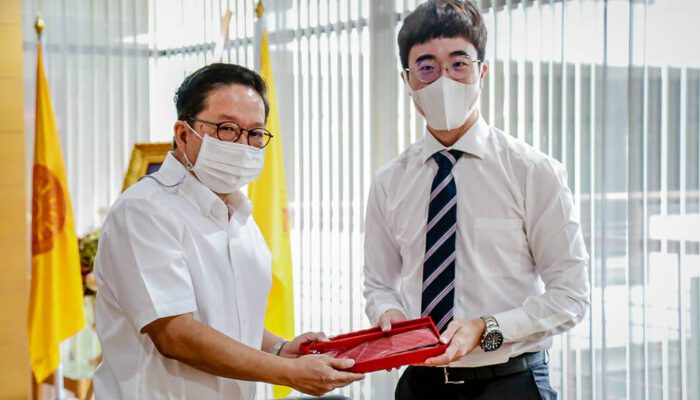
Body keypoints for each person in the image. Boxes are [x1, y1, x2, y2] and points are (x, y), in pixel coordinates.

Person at [94, 63, 364, 399]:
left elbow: (232, 319)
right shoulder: (144, 210)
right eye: (227, 129)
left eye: (255, 133)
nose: (243, 145)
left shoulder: (239, 213)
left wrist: (280, 349)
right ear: (183, 134)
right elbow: (175, 334)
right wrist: (288, 374)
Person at [362, 1, 590, 399]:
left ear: (481, 72)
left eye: (459, 64)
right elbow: (378, 283)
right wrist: (389, 315)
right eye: (427, 67)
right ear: (408, 80)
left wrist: (487, 328)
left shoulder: (533, 171)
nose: (444, 79)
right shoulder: (389, 182)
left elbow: (570, 296)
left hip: (511, 383)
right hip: (420, 385)